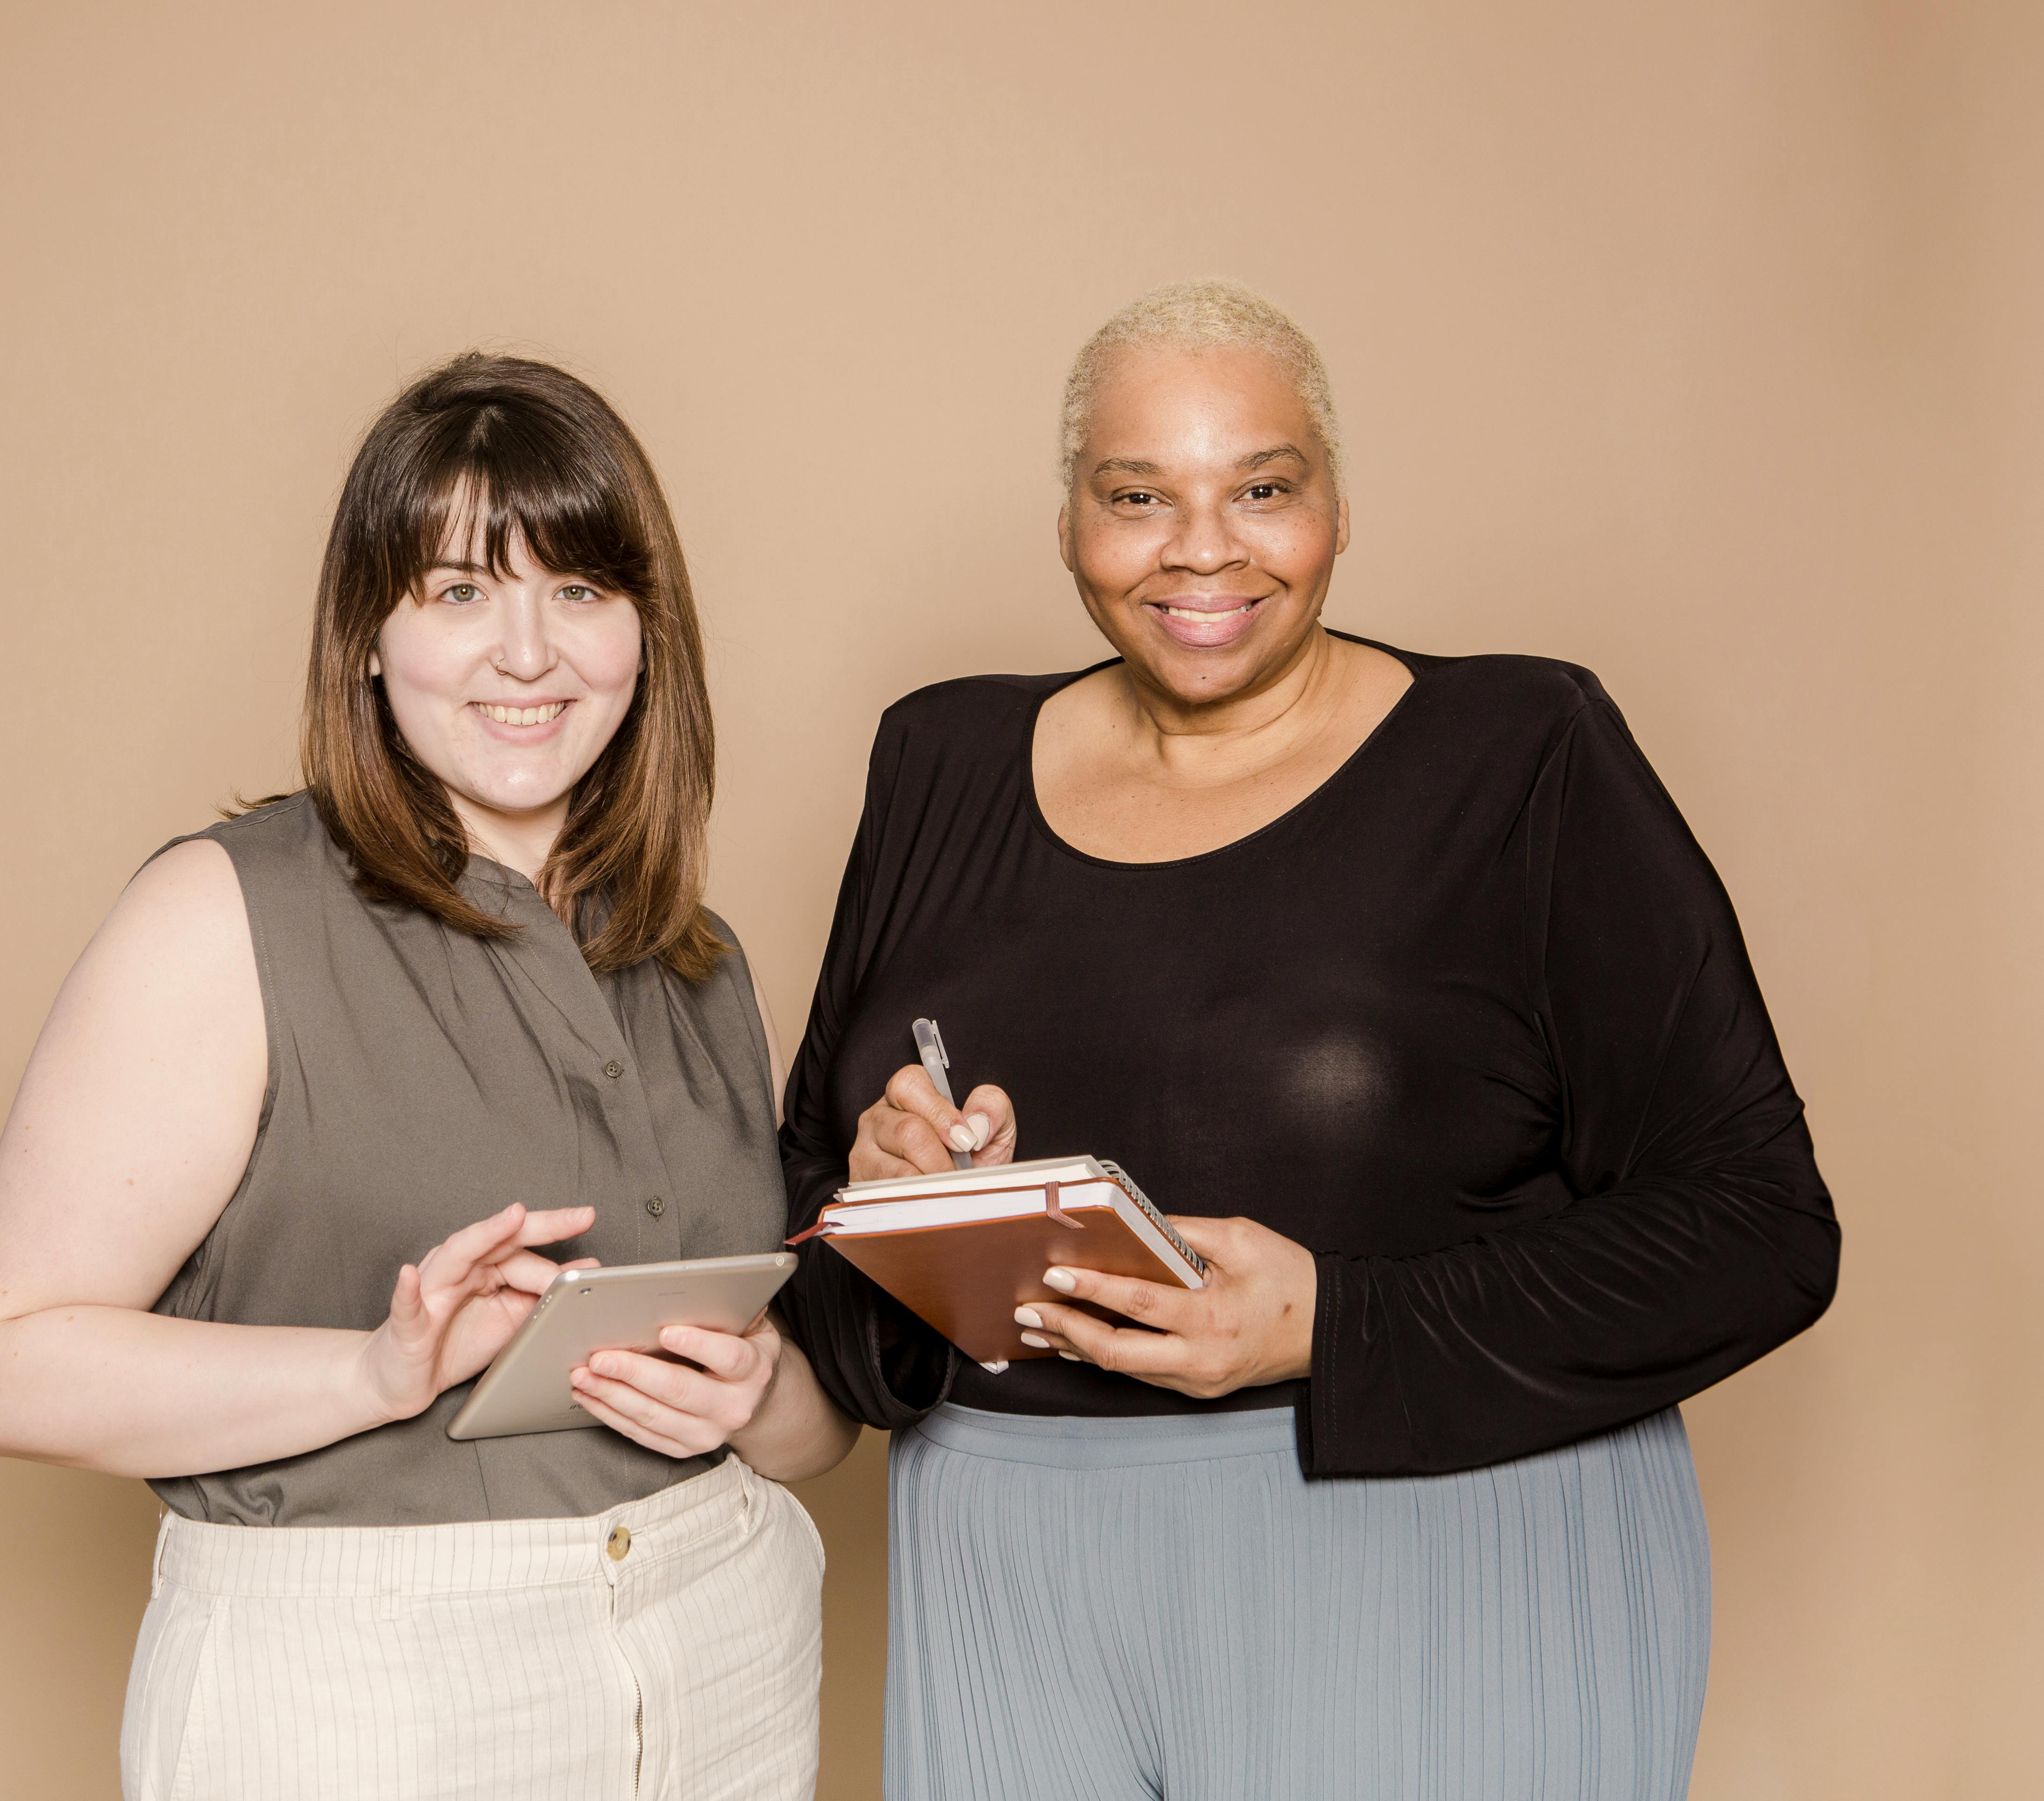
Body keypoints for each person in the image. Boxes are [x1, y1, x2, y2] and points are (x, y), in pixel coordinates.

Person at [776, 281, 1839, 1799]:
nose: (1200, 548)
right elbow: (807, 1221)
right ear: (1070, 518)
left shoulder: (1523, 757)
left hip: (1430, 1558)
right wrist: (888, 1204)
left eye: (1261, 489)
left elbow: (1764, 1233)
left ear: (1339, 505)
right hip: (1002, 1567)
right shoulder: (937, 760)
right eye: (1137, 495)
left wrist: (1335, 1328)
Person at [0, 352, 855, 1801]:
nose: (529, 654)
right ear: (368, 634)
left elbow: (812, 1440)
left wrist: (752, 1397)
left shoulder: (696, 956)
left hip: (722, 1635)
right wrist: (376, 1370)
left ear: (644, 632)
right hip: (369, 1682)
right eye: (459, 592)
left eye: (580, 591)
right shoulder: (224, 912)